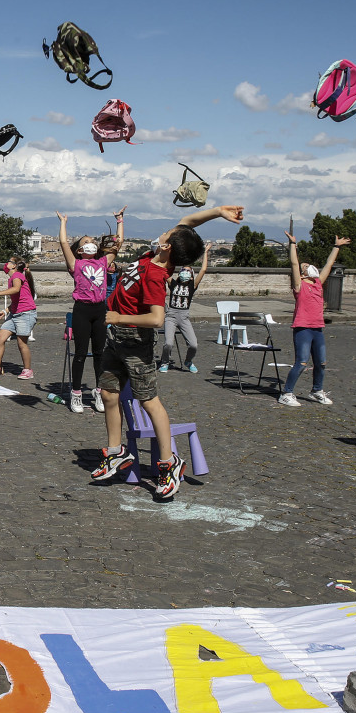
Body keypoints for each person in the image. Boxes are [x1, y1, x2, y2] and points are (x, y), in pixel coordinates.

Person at [93, 205, 246, 498]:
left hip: (135, 342)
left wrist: (118, 317)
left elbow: (156, 319)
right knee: (109, 393)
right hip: (116, 340)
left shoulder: (155, 274)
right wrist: (218, 211)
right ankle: (116, 452)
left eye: (165, 234)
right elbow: (187, 221)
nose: (163, 232)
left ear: (166, 246)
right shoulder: (155, 256)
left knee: (149, 403)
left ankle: (168, 463)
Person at [58, 209, 125, 412]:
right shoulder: (75, 264)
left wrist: (119, 220)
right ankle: (76, 394)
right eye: (85, 241)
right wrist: (63, 222)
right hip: (82, 311)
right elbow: (62, 244)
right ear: (79, 249)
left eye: (92, 240)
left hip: (99, 310)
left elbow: (118, 242)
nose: (90, 242)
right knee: (79, 354)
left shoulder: (103, 262)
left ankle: (98, 392)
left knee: (99, 354)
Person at [278, 232, 350, 407]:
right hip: (302, 328)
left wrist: (336, 247)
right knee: (301, 362)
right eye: (306, 266)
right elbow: (294, 263)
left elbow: (329, 264)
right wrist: (293, 244)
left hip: (317, 328)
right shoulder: (299, 285)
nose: (309, 266)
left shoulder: (318, 283)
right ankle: (286, 393)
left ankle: (316, 391)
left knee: (321, 362)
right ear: (302, 274)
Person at [0, 256, 38, 379]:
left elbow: (16, 289)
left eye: (9, 262)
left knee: (21, 343)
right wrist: (5, 310)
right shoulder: (13, 277)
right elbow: (19, 299)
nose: (6, 263)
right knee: (0, 337)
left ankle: (28, 370)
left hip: (26, 313)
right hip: (15, 313)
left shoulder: (17, 276)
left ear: (14, 265)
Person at [159, 242, 211, 373]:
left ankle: (188, 360)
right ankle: (164, 362)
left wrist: (205, 252)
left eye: (188, 271)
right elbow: (163, 271)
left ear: (192, 275)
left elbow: (203, 270)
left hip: (184, 316)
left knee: (193, 344)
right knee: (168, 343)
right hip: (171, 315)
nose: (185, 272)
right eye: (183, 270)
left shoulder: (192, 286)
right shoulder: (174, 283)